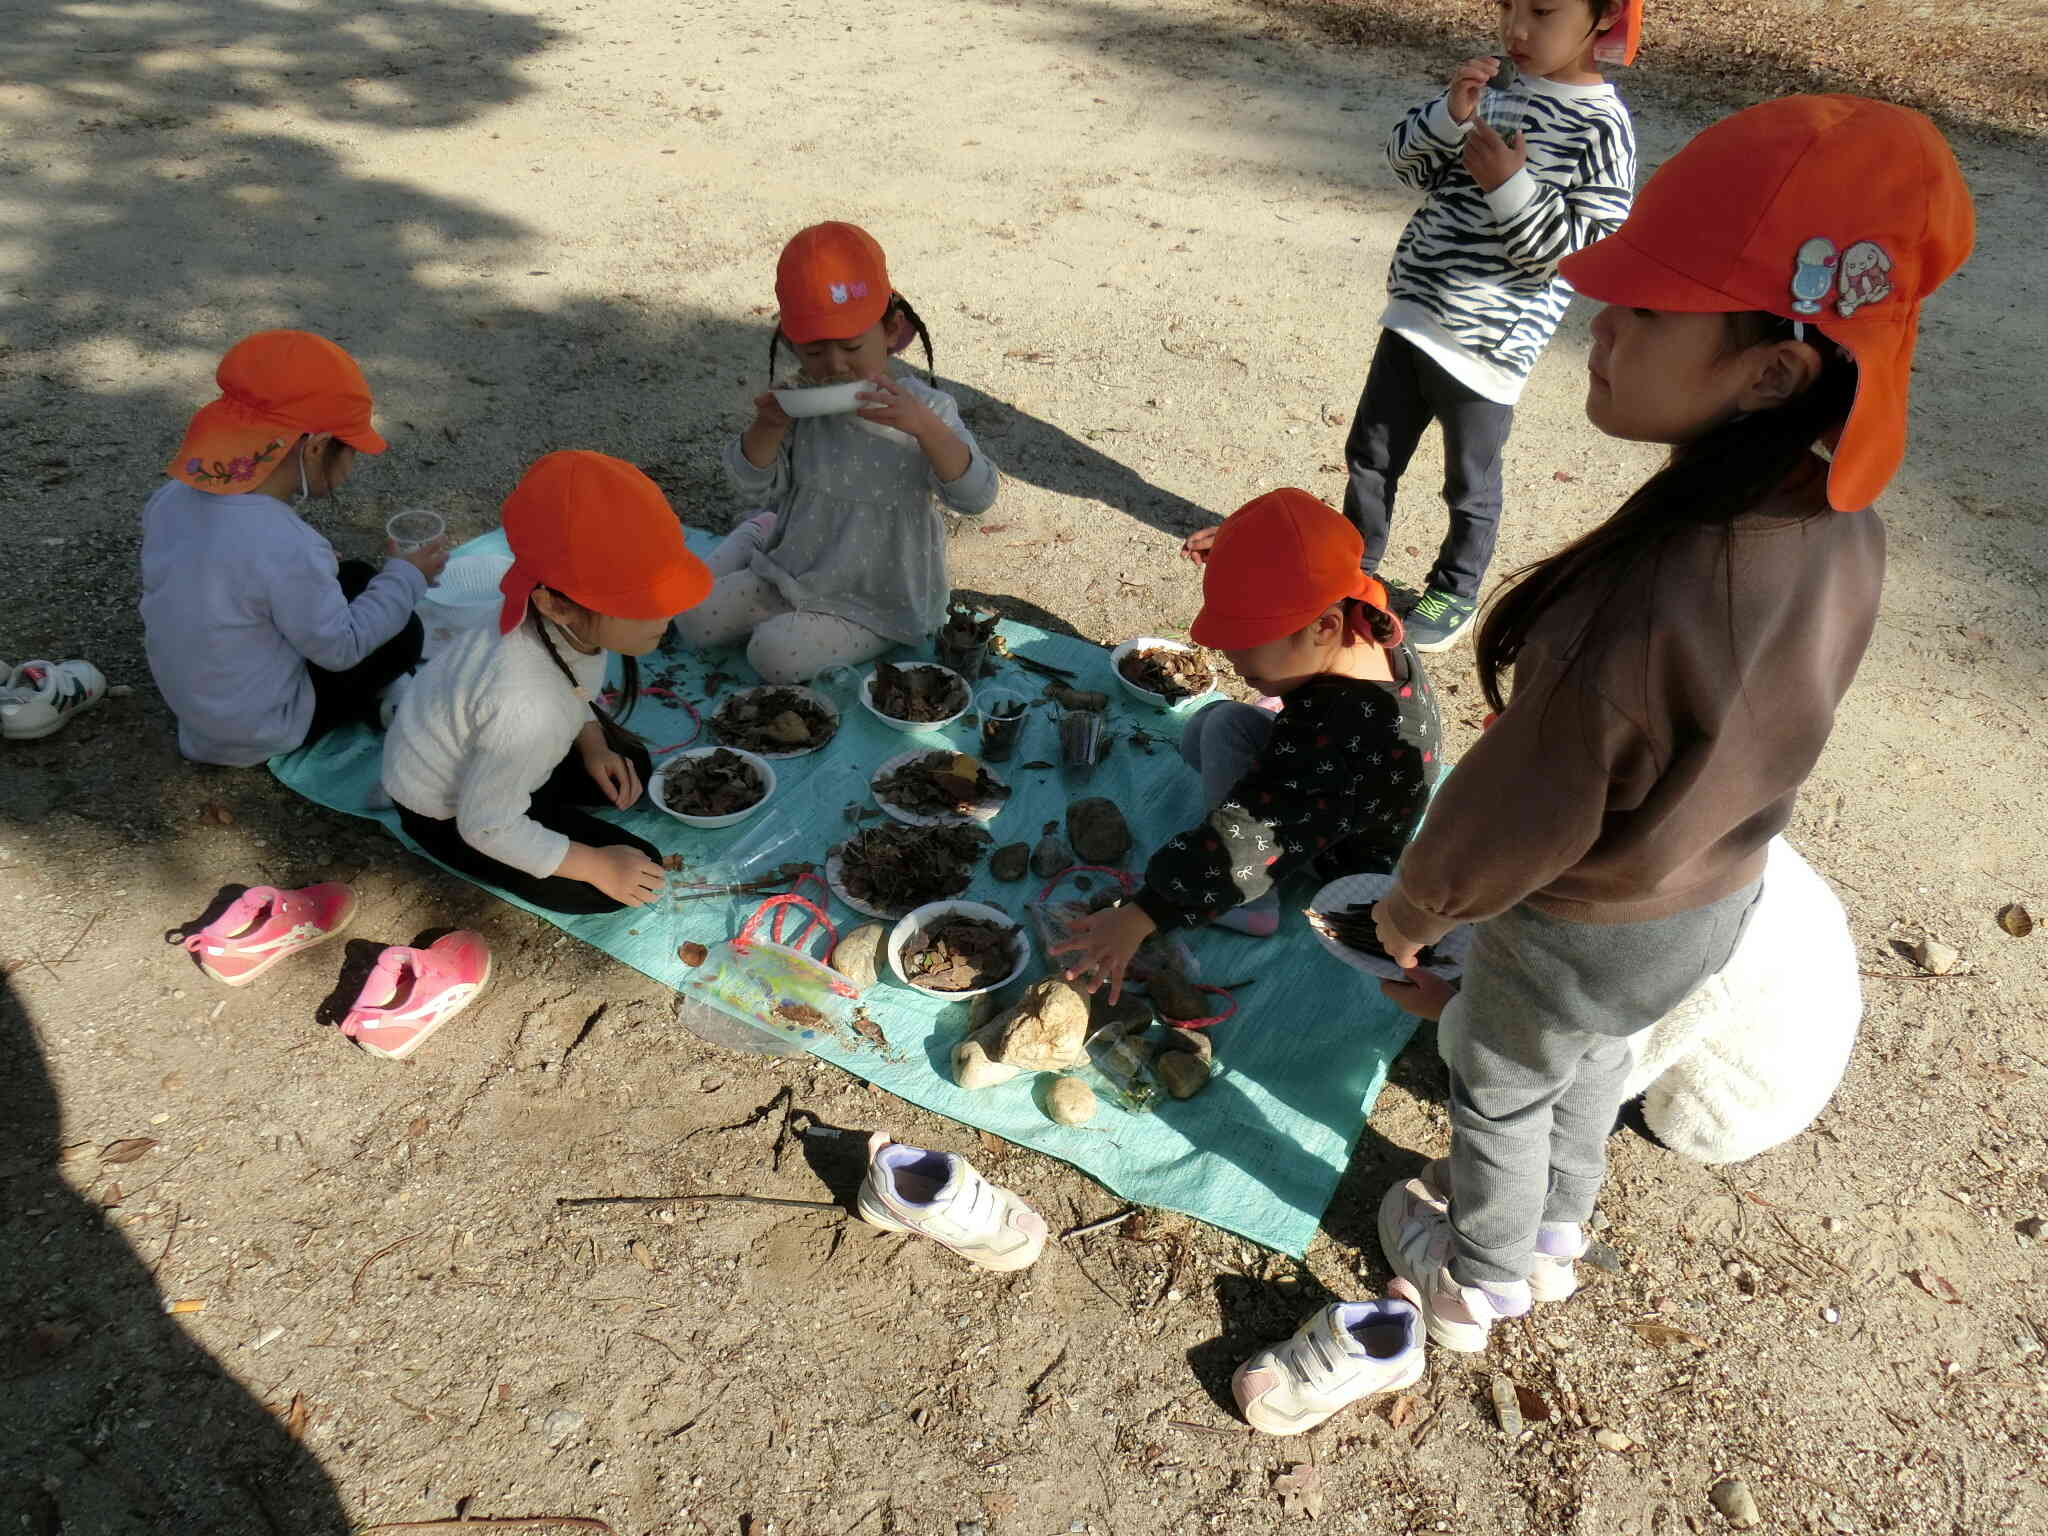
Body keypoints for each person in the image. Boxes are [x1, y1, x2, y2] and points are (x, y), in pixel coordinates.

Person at [1369, 95, 1974, 1352]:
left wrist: (1418, 906)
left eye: (1646, 309)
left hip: (1581, 914)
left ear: (1769, 371)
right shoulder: (1838, 529)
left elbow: (1519, 803)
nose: (1600, 324)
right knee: (1592, 1057)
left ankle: (1476, 1277)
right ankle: (1555, 1230)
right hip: (1707, 898)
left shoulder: (1643, 599)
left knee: (1497, 1076)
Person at [1335, 0, 1640, 653]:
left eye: (1542, 10)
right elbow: (1408, 164)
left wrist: (1511, 186)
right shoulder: (1497, 87)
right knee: (1370, 456)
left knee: (1469, 480)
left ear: (1603, 16)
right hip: (1415, 314)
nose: (1517, 30)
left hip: (1489, 345)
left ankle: (1456, 586)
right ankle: (1351, 567)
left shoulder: (1603, 129)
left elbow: (1579, 255)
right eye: (1506, 6)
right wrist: (1451, 114)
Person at [1052, 489, 1441, 993]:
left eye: (1246, 646)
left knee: (1220, 736)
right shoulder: (1365, 614)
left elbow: (1246, 836)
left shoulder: (1338, 734)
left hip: (1341, 857)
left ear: (1324, 627)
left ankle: (1255, 905)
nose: (1235, 662)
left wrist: (1146, 912)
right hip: (1347, 792)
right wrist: (1241, 555)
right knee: (1216, 725)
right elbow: (1306, 550)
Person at [382, 450, 712, 915]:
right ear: (556, 605)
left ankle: (545, 799)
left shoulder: (547, 617)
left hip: (497, 754)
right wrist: (597, 866)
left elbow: (572, 685)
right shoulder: (528, 705)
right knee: (627, 875)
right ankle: (546, 822)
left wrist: (593, 743)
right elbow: (486, 827)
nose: (669, 613)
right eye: (643, 601)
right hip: (449, 811)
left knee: (628, 762)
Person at [674, 221, 999, 682]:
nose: (834, 366)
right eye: (813, 353)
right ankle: (757, 536)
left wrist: (925, 430)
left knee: (772, 657)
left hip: (875, 597)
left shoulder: (928, 409)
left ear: (891, 330)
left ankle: (762, 546)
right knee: (691, 622)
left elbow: (977, 496)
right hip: (792, 567)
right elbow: (753, 484)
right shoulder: (801, 407)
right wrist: (767, 427)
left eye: (851, 347)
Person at [140, 330, 447, 765]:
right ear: (317, 447)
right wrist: (409, 576)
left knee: (356, 576)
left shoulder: (170, 498)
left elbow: (222, 571)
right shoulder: (288, 545)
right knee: (404, 631)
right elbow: (341, 649)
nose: (351, 466)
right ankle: (387, 702)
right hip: (261, 729)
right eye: (351, 451)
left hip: (199, 709)